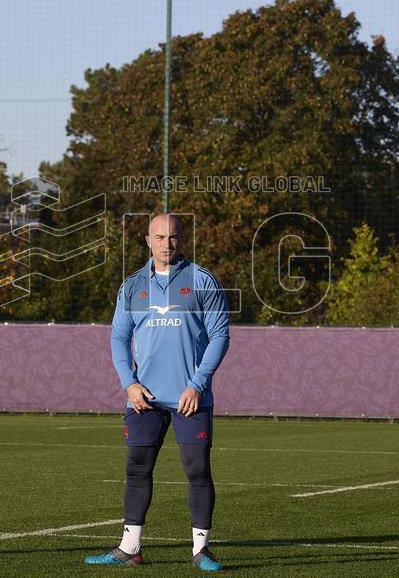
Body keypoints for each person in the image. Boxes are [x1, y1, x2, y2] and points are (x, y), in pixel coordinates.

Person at [85, 213, 230, 571]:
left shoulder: (202, 280)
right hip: (143, 399)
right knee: (137, 470)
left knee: (197, 470)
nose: (167, 243)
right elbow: (118, 337)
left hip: (189, 399)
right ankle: (129, 548)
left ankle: (201, 551)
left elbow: (220, 336)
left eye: (174, 237)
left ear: (183, 239)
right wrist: (128, 383)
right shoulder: (133, 285)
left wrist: (197, 384)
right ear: (147, 240)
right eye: (160, 237)